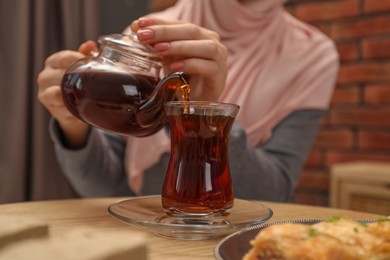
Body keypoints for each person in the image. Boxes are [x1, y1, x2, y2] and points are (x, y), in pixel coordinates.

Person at [37, 0, 339, 201]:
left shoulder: (313, 55)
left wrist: (202, 116)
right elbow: (106, 189)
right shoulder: (146, 36)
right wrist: (73, 125)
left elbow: (273, 195)